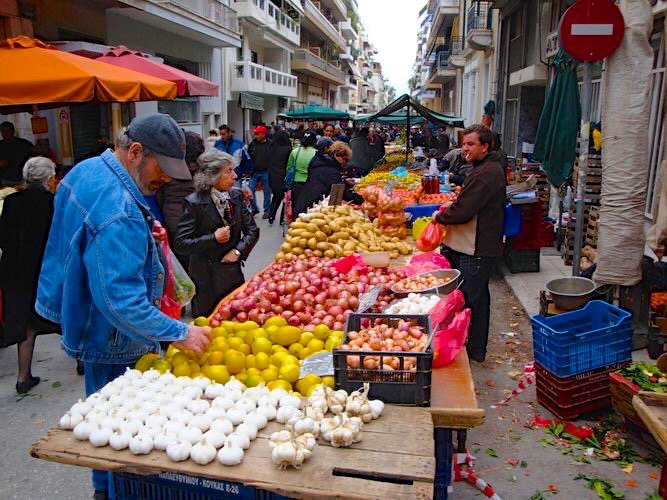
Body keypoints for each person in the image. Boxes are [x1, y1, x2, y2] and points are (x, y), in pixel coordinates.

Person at [36, 113, 212, 498]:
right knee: (119, 426)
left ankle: (106, 486)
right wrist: (179, 331)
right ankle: (111, 491)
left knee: (102, 415)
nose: (163, 180)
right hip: (113, 334)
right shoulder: (120, 211)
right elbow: (121, 301)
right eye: (160, 170)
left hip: (87, 312)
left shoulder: (87, 170)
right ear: (135, 152)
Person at [433, 124, 505, 363]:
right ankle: (476, 349)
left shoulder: (485, 173)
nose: (465, 148)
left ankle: (468, 350)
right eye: (464, 143)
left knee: (470, 301)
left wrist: (440, 216)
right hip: (476, 245)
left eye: (471, 144)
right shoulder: (484, 169)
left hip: (474, 248)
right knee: (478, 298)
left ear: (485, 146)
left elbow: (464, 211)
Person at [175, 149, 259, 317]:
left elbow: (252, 230)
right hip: (205, 278)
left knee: (235, 317)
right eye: (228, 171)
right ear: (212, 176)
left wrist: (237, 251)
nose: (235, 176)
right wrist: (213, 238)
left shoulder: (235, 196)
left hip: (231, 272)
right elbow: (181, 244)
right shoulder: (194, 203)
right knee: (209, 322)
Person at [0, 157, 57, 393]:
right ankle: (82, 362)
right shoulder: (54, 203)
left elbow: (2, 238)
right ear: (49, 179)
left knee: (25, 322)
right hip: (46, 268)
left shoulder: (12, 202)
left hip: (16, 270)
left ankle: (23, 377)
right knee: (65, 312)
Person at [158, 131, 205, 267]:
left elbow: (161, 195)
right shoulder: (202, 167)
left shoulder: (169, 167)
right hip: (196, 217)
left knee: (179, 255)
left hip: (172, 218)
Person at [293, 141, 362, 216]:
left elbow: (326, 180)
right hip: (311, 207)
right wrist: (360, 199)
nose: (345, 162)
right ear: (337, 154)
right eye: (345, 159)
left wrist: (344, 182)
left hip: (306, 200)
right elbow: (338, 189)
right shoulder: (330, 167)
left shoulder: (321, 160)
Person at [287, 131, 318, 217]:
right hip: (311, 183)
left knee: (297, 206)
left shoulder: (295, 152)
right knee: (309, 208)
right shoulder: (316, 152)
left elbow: (289, 168)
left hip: (297, 183)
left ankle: (295, 224)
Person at [247, 125, 273, 218]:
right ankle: (254, 209)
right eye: (255, 134)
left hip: (266, 171)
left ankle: (267, 210)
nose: (255, 135)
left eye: (257, 134)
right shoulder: (252, 144)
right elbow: (248, 157)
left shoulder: (270, 144)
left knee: (267, 192)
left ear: (263, 134)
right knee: (250, 190)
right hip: (254, 172)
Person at [268, 128, 292, 226]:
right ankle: (282, 218)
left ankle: (271, 215)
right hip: (284, 176)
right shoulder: (288, 149)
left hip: (273, 176)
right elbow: (289, 164)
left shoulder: (271, 148)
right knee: (285, 199)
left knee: (276, 198)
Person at [0, 121, 33, 185]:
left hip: (24, 179)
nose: (5, 133)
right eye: (3, 131)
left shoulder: (23, 143)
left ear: (13, 131)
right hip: (6, 180)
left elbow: (36, 155)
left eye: (8, 131)